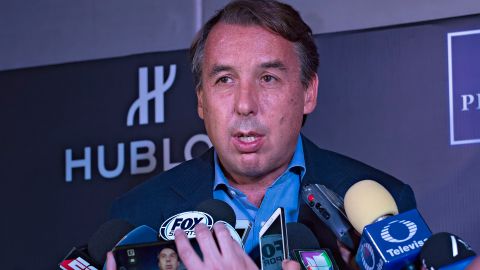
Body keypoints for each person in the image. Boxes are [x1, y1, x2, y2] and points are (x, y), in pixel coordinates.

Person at [110, 0, 416, 269]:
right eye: (225, 79)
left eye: (268, 78)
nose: (245, 105)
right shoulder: (137, 215)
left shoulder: (385, 210)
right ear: (201, 100)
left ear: (308, 92)